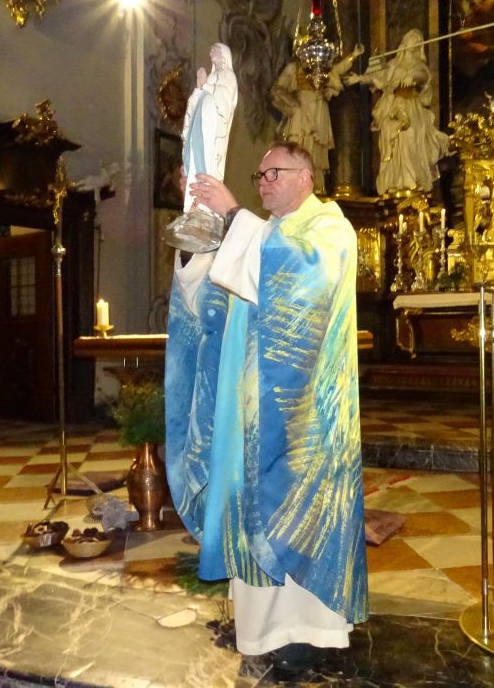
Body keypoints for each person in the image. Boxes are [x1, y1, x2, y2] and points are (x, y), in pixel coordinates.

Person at [165, 141, 368, 679]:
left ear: (306, 176)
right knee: (248, 510)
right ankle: (262, 630)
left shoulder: (330, 229)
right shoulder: (261, 234)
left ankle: (311, 629)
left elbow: (293, 278)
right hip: (246, 411)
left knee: (294, 511)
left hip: (304, 420)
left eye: (274, 172)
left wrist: (233, 216)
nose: (264, 183)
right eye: (259, 176)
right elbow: (209, 299)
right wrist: (198, 235)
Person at [348, 29, 450, 195]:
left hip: (411, 108)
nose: (413, 42)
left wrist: (413, 77)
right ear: (405, 41)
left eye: (417, 40)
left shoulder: (419, 65)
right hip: (394, 107)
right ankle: (396, 181)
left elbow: (423, 76)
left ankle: (412, 181)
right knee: (393, 143)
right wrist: (359, 78)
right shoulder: (393, 64)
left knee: (410, 138)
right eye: (411, 38)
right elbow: (378, 77)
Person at [271, 43, 364, 188]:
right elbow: (277, 89)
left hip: (319, 110)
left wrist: (353, 55)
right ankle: (297, 186)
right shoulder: (294, 68)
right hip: (301, 111)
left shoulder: (321, 67)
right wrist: (292, 104)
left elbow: (337, 70)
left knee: (317, 150)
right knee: (299, 144)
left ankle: (317, 187)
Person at [180, 42, 237, 212]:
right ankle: (195, 199)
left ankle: (204, 200)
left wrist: (205, 85)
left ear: (224, 55)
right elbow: (197, 98)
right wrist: (199, 87)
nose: (212, 54)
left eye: (216, 51)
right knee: (194, 150)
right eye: (211, 51)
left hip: (212, 123)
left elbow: (226, 98)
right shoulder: (212, 76)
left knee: (206, 154)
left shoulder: (228, 75)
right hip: (200, 118)